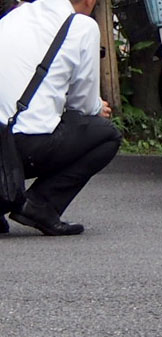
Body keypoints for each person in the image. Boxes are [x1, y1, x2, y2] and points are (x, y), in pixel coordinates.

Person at [0, 0, 122, 236]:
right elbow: (83, 104)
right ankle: (41, 205)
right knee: (107, 135)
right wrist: (99, 107)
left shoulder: (15, 15)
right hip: (22, 145)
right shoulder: (82, 26)